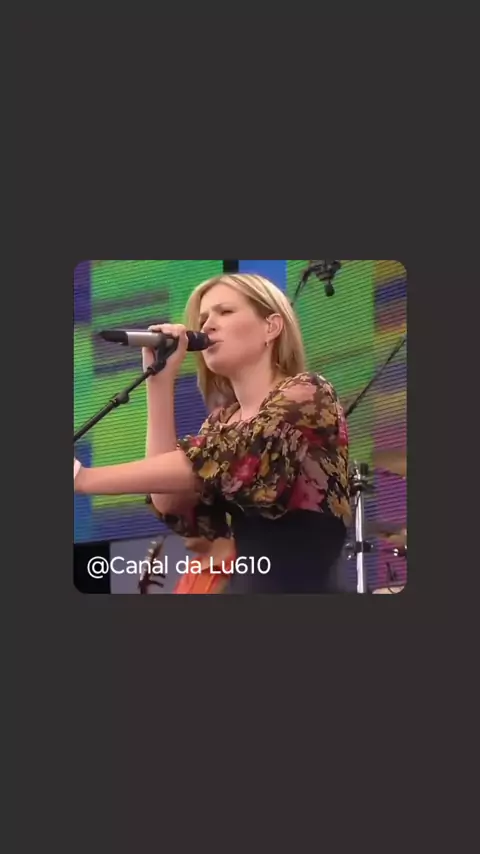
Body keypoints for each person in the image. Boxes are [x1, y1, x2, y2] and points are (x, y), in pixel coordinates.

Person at [74, 273, 351, 593]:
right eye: (203, 318)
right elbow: (169, 499)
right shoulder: (222, 422)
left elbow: (229, 457)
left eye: (225, 312)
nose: (207, 325)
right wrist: (160, 381)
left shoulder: (308, 394)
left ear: (271, 327)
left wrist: (84, 479)